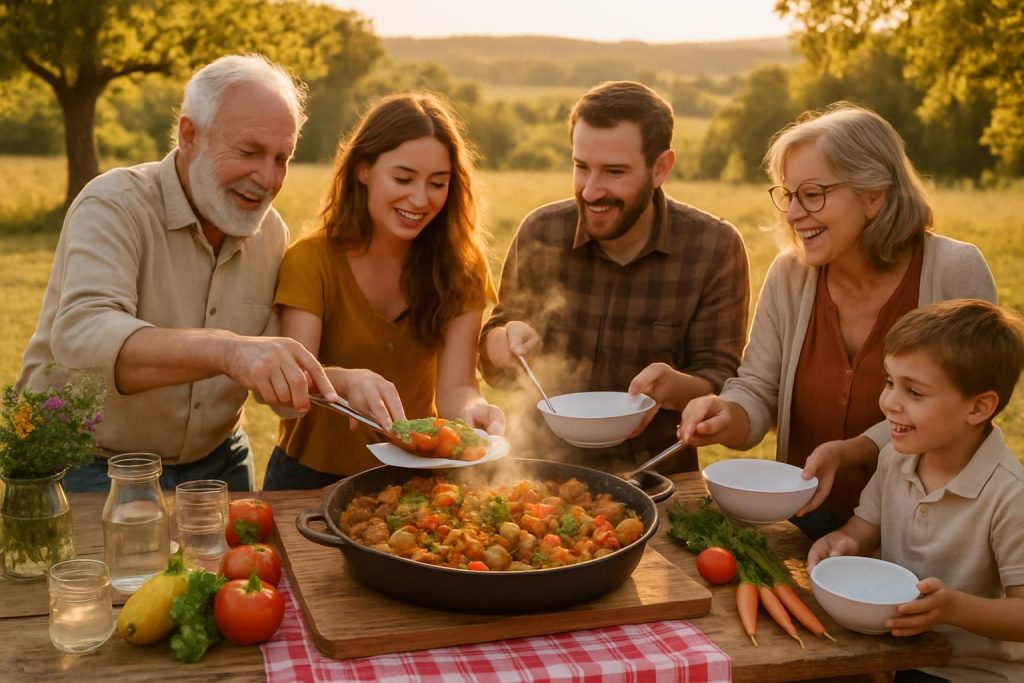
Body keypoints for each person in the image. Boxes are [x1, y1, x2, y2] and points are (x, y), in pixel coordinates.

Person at [17, 54, 338, 493]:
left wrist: (337, 383)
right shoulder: (114, 204)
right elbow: (83, 335)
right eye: (249, 152)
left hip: (219, 464)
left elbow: (268, 375)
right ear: (190, 135)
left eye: (282, 158)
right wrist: (226, 350)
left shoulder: (271, 234)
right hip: (89, 466)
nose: (267, 177)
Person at [679, 102, 997, 538]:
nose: (792, 215)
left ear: (874, 195)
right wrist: (727, 413)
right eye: (788, 195)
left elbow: (964, 407)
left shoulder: (953, 270)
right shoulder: (790, 276)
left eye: (812, 195)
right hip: (804, 524)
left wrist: (855, 451)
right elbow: (758, 389)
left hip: (924, 529)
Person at [478, 81, 750, 474]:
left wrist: (672, 387)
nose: (590, 191)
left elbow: (721, 379)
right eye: (580, 167)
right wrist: (501, 343)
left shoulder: (714, 247)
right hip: (535, 477)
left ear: (661, 168)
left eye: (614, 172)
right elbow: (495, 361)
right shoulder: (542, 231)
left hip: (655, 478)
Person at [262, 92, 504, 490]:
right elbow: (290, 391)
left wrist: (476, 412)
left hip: (418, 477)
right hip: (307, 481)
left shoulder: (463, 266)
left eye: (437, 183)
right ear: (363, 170)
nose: (420, 199)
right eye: (403, 178)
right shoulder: (312, 260)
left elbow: (456, 389)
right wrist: (344, 381)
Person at [807, 299, 1024, 683]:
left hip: (968, 673)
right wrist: (842, 542)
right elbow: (865, 527)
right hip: (892, 657)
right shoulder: (895, 458)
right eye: (891, 382)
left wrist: (953, 609)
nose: (889, 402)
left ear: (978, 408)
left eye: (915, 392)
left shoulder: (1010, 495)